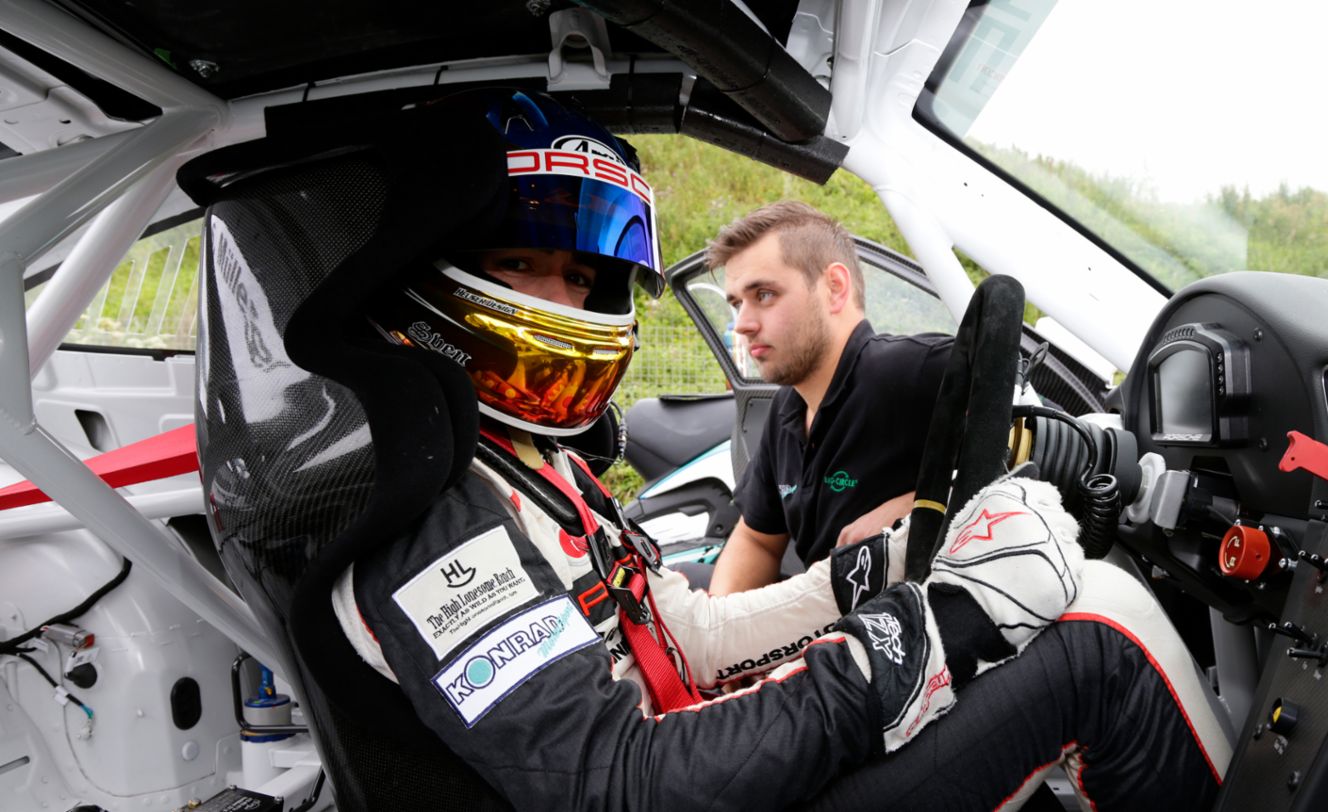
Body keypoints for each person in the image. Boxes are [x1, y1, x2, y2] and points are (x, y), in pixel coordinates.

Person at [312, 90, 1223, 810]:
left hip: (701, 751)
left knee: (1086, 602)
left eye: (582, 277)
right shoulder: (431, 520)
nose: (564, 302)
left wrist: (879, 570)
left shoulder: (534, 467)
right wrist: (932, 629)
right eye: (520, 264)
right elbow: (617, 781)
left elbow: (687, 633)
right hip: (677, 778)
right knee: (1104, 635)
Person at [707, 202, 951, 594]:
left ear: (834, 288)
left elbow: (1041, 455)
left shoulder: (917, 370)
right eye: (737, 304)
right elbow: (757, 539)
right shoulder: (786, 410)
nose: (743, 325)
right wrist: (716, 621)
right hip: (824, 621)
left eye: (764, 294)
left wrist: (919, 506)